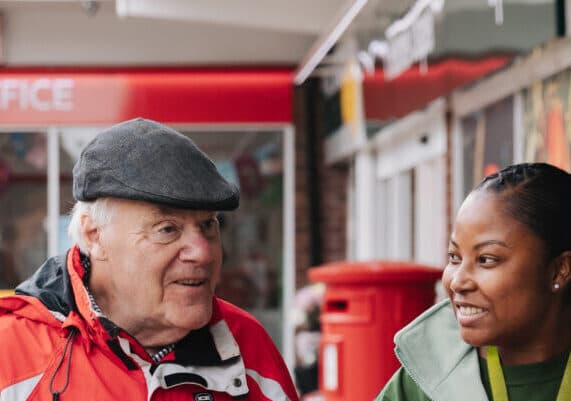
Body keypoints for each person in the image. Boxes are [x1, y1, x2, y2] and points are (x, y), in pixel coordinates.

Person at [0, 118, 299, 401]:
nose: (203, 252)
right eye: (168, 229)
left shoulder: (248, 343)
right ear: (94, 236)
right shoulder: (11, 352)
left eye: (208, 225)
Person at [374, 162, 571, 401]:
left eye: (486, 259)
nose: (457, 282)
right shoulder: (426, 381)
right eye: (454, 257)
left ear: (560, 270)